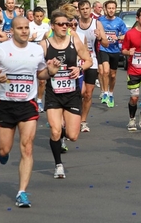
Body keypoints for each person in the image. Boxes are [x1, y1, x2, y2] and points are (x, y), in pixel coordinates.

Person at [0, 16, 58, 207]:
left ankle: (21, 192)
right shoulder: (1, 49)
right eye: (20, 28)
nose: (24, 31)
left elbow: (41, 73)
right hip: (5, 105)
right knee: (4, 148)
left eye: (26, 28)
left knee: (27, 147)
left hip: (27, 105)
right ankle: (3, 153)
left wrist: (51, 71)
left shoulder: (37, 50)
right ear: (12, 30)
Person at [40, 11, 92, 179]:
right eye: (61, 24)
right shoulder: (44, 45)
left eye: (67, 24)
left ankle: (63, 132)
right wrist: (50, 71)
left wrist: (80, 68)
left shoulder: (74, 40)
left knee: (73, 136)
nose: (65, 27)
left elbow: (88, 59)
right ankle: (58, 164)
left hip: (71, 94)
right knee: (55, 131)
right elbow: (38, 73)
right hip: (53, 94)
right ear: (53, 26)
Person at [77, 0, 108, 132]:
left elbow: (106, 43)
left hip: (92, 60)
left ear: (90, 9)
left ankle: (83, 121)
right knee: (79, 92)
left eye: (87, 8)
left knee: (88, 94)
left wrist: (100, 37)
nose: (85, 10)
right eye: (82, 8)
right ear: (79, 10)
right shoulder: (74, 24)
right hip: (77, 62)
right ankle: (72, 117)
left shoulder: (96, 23)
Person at [122, 7, 141, 131]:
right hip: (133, 70)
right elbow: (123, 50)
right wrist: (129, 52)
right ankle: (132, 119)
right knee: (134, 97)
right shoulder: (130, 33)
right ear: (137, 18)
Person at [98, 0, 128, 108]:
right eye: (109, 8)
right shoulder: (100, 20)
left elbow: (126, 35)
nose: (111, 10)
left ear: (115, 9)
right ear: (105, 9)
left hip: (115, 50)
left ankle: (111, 93)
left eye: (113, 8)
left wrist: (118, 37)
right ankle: (105, 92)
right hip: (103, 49)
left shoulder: (119, 21)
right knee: (105, 71)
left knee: (113, 74)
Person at [28, 6, 50, 112]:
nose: (39, 18)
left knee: (42, 81)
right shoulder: (29, 26)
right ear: (33, 16)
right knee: (31, 78)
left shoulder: (47, 26)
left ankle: (40, 100)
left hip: (43, 54)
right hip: (31, 54)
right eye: (37, 16)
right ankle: (31, 100)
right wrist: (31, 38)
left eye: (41, 16)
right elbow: (22, 39)